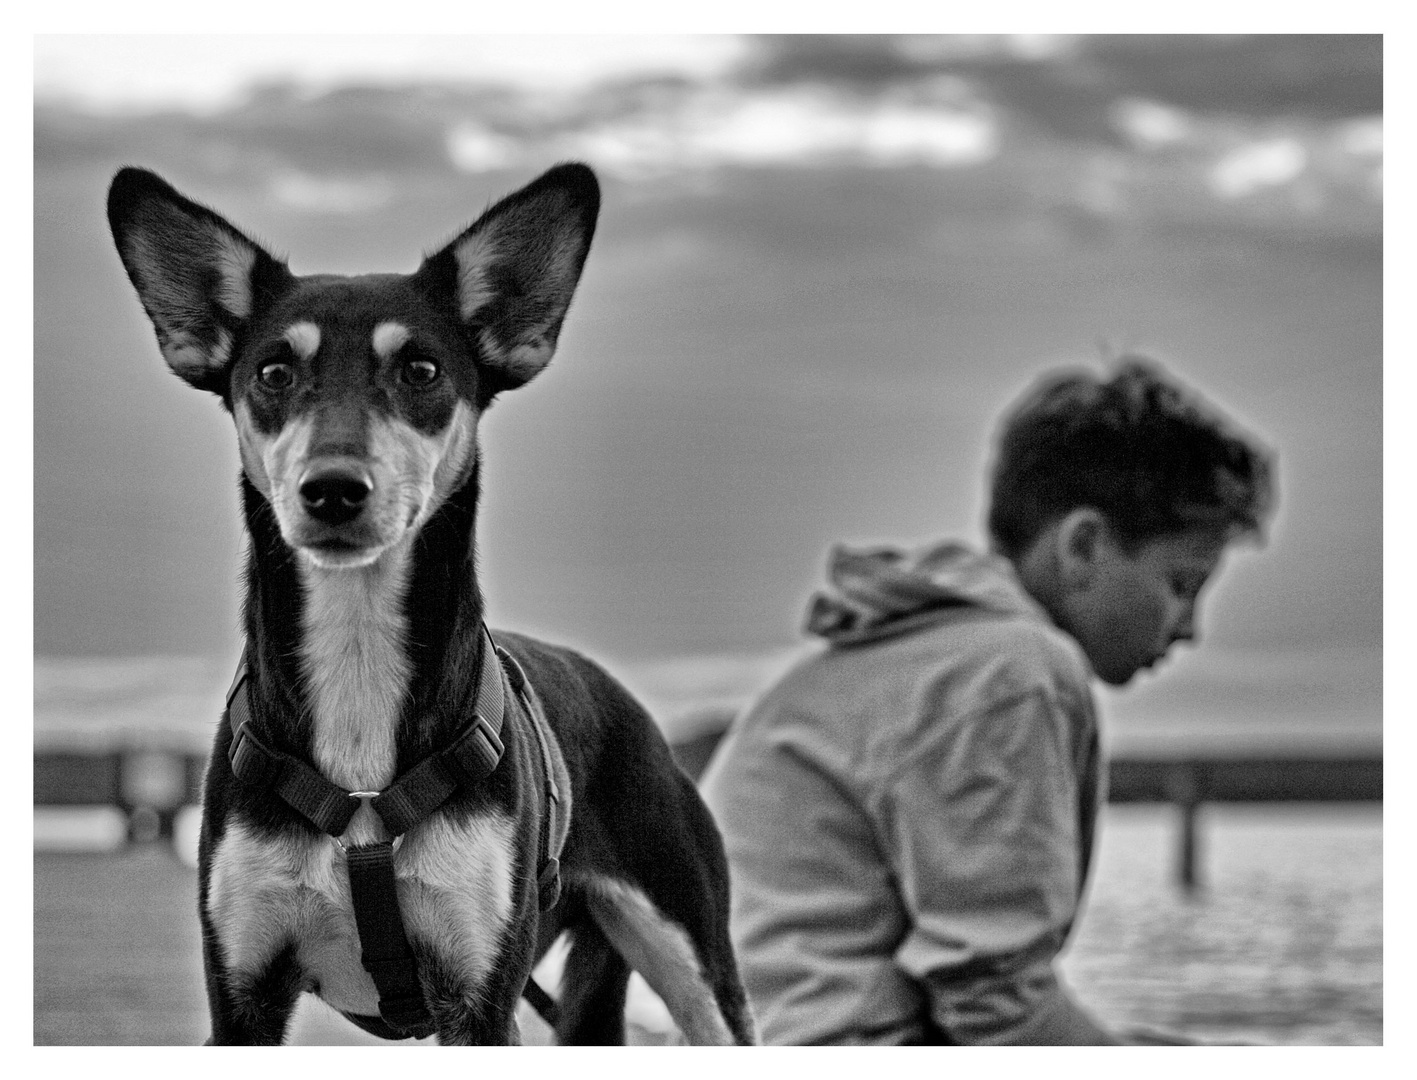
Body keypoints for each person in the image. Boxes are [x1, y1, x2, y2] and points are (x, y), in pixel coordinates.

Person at [701, 358, 1275, 1045]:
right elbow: (995, 1008)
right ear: (1083, 545)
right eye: (1181, 583)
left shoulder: (905, 654)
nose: (1188, 628)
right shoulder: (1013, 672)